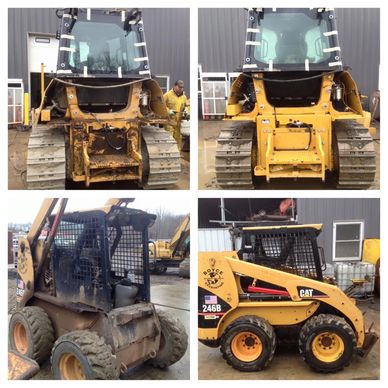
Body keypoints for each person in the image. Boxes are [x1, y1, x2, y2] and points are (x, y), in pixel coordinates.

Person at [163, 80, 188, 149]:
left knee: (178, 141)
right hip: (169, 122)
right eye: (179, 87)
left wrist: (186, 111)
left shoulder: (184, 97)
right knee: (169, 139)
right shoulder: (167, 95)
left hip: (178, 123)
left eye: (182, 87)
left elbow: (186, 106)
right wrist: (168, 111)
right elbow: (161, 106)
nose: (181, 89)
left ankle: (177, 155)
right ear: (174, 86)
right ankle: (168, 155)